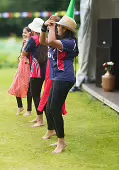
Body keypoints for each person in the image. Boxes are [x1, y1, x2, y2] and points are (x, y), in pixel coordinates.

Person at [40, 15, 78, 154]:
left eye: (59, 26)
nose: (57, 28)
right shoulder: (59, 41)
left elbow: (50, 40)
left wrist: (51, 27)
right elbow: (43, 40)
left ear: (65, 29)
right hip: (58, 77)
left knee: (54, 108)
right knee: (50, 108)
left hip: (65, 78)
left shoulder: (69, 42)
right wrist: (45, 27)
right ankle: (59, 139)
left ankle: (61, 142)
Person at [22, 18, 47, 127]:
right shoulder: (44, 38)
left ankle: (40, 120)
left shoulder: (33, 39)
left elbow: (24, 53)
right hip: (45, 69)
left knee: (35, 94)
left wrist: (26, 44)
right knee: (38, 93)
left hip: (36, 71)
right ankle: (38, 117)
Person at [8, 27, 32, 116]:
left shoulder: (31, 42)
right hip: (21, 66)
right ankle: (20, 107)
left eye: (25, 32)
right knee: (17, 86)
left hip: (28, 67)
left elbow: (29, 54)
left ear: (30, 33)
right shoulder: (24, 42)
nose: (23, 34)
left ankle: (29, 110)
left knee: (28, 88)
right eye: (23, 32)